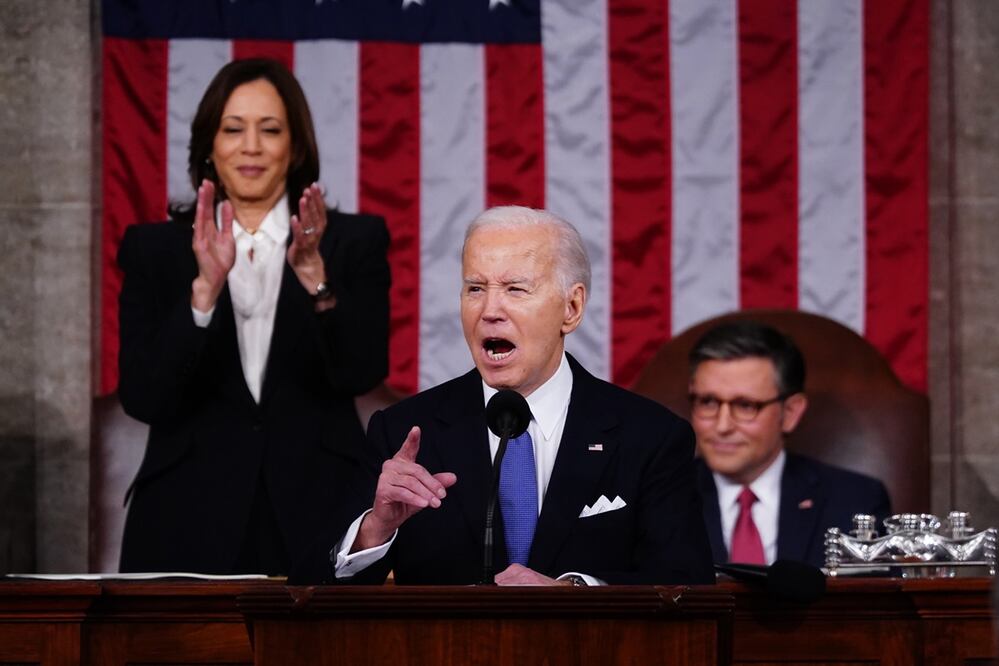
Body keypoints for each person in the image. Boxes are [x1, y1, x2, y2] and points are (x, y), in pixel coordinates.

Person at [295, 206, 714, 586]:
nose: (489, 309)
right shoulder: (404, 434)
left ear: (571, 308)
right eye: (475, 288)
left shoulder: (651, 438)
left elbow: (687, 589)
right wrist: (375, 528)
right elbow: (308, 594)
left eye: (515, 289)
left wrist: (575, 594)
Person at [117, 58, 390, 575]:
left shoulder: (353, 241)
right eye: (233, 129)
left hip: (318, 507)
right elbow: (144, 396)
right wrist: (203, 292)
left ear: (296, 145)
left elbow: (362, 370)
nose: (251, 146)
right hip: (184, 514)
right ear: (210, 145)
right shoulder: (153, 249)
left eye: (270, 130)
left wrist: (316, 278)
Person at [688, 321, 891, 569]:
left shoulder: (855, 501)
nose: (722, 426)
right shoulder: (659, 498)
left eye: (745, 406)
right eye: (708, 402)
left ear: (790, 412)